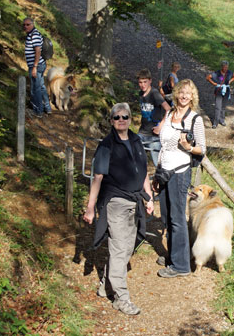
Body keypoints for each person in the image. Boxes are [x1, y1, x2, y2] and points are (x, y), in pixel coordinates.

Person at [83, 103, 155, 315]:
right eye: (116, 117)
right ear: (112, 121)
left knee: (127, 247)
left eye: (125, 116)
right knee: (119, 247)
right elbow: (97, 177)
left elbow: (143, 172)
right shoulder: (107, 145)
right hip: (115, 202)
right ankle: (121, 298)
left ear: (130, 119)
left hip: (135, 201)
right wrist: (90, 208)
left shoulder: (136, 140)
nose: (121, 120)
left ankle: (106, 284)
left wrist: (149, 197)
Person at [156, 79, 206, 277]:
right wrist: (158, 170)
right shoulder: (169, 114)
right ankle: (172, 255)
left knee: (177, 218)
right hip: (165, 170)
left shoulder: (195, 119)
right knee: (167, 215)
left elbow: (202, 148)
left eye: (188, 93)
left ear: (193, 97)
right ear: (176, 94)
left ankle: (181, 265)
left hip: (180, 171)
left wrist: (188, 148)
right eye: (181, 92)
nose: (184, 96)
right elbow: (163, 144)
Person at [137, 69, 171, 166]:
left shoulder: (154, 93)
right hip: (142, 132)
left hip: (153, 135)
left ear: (150, 81)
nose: (142, 85)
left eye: (145, 82)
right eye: (140, 82)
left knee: (158, 164)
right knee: (135, 160)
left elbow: (168, 109)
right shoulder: (141, 94)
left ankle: (163, 180)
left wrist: (160, 126)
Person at [23, 17, 51, 117]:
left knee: (36, 88)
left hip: (37, 65)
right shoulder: (32, 34)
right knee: (41, 86)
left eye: (28, 24)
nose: (25, 26)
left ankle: (38, 111)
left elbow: (38, 50)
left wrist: (34, 66)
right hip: (39, 65)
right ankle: (47, 108)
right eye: (24, 25)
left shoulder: (34, 35)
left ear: (33, 24)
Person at [206, 60, 234, 128]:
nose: (225, 68)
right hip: (219, 90)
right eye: (224, 67)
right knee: (217, 107)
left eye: (226, 67)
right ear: (221, 67)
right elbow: (208, 77)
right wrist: (214, 83)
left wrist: (230, 81)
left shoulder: (229, 72)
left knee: (223, 107)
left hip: (226, 90)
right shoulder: (217, 73)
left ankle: (222, 120)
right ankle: (215, 122)